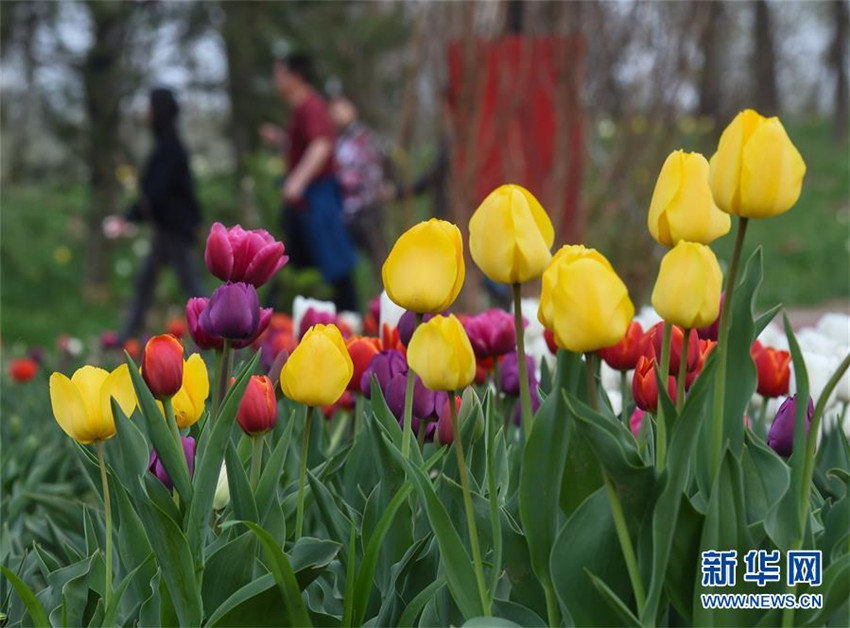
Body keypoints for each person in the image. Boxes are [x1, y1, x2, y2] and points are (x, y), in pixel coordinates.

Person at [105, 88, 204, 343]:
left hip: (174, 229)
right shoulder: (168, 146)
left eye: (149, 107)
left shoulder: (168, 150)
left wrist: (127, 218)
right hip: (169, 228)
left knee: (191, 287)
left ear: (158, 111)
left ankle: (218, 334)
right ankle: (124, 338)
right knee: (146, 282)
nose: (145, 113)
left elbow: (155, 193)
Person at [260, 53, 358, 312]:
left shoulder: (310, 106)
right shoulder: (301, 108)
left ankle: (352, 316)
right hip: (305, 201)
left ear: (295, 76)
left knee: (332, 262)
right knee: (298, 260)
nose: (276, 80)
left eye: (279, 74)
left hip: (318, 197)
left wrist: (296, 182)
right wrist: (282, 140)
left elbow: (321, 145)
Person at [328, 94, 388, 277]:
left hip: (367, 208)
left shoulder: (364, 137)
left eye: (341, 108)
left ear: (353, 109)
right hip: (346, 212)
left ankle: (390, 301)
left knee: (381, 262)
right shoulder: (337, 140)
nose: (337, 114)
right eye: (333, 109)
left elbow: (377, 168)